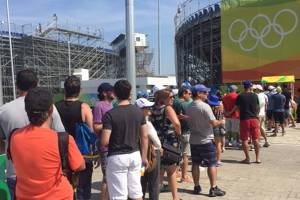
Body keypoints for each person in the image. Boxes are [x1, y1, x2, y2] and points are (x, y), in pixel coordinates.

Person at [0, 69, 65, 200]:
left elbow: (1, 144)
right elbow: (61, 136)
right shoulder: (48, 108)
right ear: (37, 84)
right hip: (46, 174)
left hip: (16, 174)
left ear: (17, 85)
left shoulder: (3, 110)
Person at [10, 87, 85, 199]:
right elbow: (80, 165)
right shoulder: (63, 139)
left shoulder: (14, 137)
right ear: (51, 110)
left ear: (26, 110)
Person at [101, 80, 148, 200]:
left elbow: (105, 141)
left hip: (117, 157)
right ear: (130, 93)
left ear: (115, 94)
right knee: (137, 192)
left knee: (119, 195)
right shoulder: (139, 112)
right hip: (135, 155)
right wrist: (144, 157)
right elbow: (144, 136)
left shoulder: (110, 114)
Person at [55, 75, 94, 200]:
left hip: (61, 153)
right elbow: (91, 131)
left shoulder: (55, 107)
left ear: (64, 90)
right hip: (81, 153)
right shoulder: (84, 107)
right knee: (83, 186)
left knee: (64, 185)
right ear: (80, 90)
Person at [186, 84, 226, 197]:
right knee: (212, 164)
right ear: (198, 94)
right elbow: (213, 123)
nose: (207, 94)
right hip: (206, 140)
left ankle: (196, 186)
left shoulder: (189, 106)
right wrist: (221, 122)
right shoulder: (204, 106)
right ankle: (213, 188)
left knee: (195, 164)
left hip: (194, 139)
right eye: (205, 92)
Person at [151, 89, 181, 200]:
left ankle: (155, 196)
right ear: (163, 99)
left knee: (159, 171)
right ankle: (175, 197)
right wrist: (178, 132)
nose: (173, 99)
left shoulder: (152, 109)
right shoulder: (168, 108)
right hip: (169, 143)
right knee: (171, 171)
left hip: (157, 143)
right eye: (171, 97)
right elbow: (177, 123)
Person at [136, 98, 162, 200]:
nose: (149, 109)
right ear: (141, 110)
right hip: (152, 153)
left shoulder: (134, 121)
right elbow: (155, 140)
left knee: (141, 178)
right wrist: (160, 147)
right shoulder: (147, 123)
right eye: (147, 108)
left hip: (139, 153)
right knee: (154, 181)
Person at [92, 82, 114, 200]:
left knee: (110, 177)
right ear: (104, 93)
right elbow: (96, 127)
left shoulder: (111, 105)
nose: (114, 92)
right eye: (111, 90)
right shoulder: (99, 106)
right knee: (107, 177)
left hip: (113, 146)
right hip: (105, 148)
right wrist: (111, 123)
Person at [231, 80, 260, 164]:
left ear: (244, 87)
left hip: (244, 119)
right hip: (254, 119)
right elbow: (258, 107)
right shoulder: (255, 95)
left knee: (244, 139)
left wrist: (229, 112)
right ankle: (258, 158)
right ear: (250, 87)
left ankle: (248, 159)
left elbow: (236, 107)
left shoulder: (240, 96)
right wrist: (256, 114)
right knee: (255, 139)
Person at [173, 86, 193, 183]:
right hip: (185, 132)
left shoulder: (173, 102)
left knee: (176, 153)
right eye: (189, 93)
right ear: (184, 93)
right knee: (185, 155)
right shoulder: (185, 104)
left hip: (174, 132)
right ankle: (184, 176)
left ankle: (176, 172)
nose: (190, 95)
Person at [207, 95, 226, 167]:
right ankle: (218, 160)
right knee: (218, 144)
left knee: (209, 144)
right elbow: (222, 117)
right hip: (218, 126)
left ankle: (210, 159)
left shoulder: (208, 108)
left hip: (210, 127)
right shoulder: (220, 107)